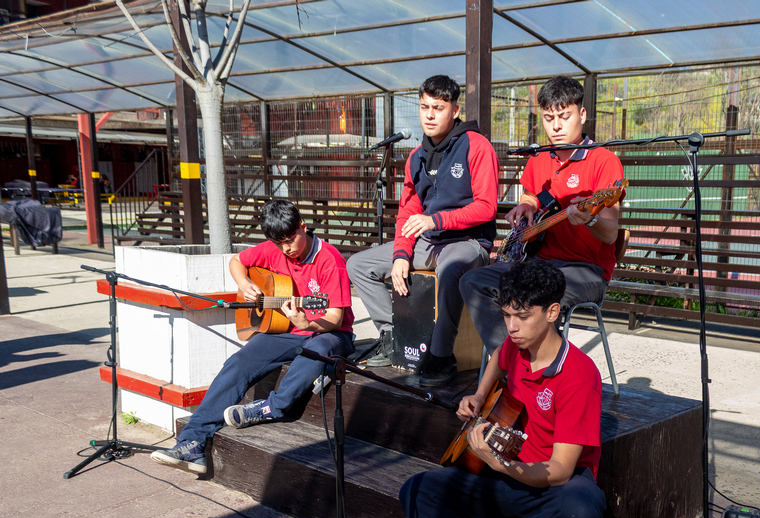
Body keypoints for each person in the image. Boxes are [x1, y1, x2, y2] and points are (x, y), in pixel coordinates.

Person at [399, 259, 605, 518]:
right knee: (417, 490)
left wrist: (502, 465)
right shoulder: (516, 345)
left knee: (582, 509)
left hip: (553, 483)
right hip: (504, 467)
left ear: (553, 312)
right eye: (507, 315)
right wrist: (479, 395)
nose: (511, 326)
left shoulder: (579, 375)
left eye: (522, 317)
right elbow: (498, 357)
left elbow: (561, 470)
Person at [151, 199, 354, 475]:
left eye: (290, 240)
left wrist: (308, 322)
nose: (286, 248)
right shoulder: (273, 249)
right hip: (287, 330)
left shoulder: (330, 259)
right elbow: (237, 261)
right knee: (239, 362)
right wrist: (244, 283)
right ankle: (192, 442)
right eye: (280, 243)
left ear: (303, 226)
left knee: (315, 351)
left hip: (330, 333)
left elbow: (335, 317)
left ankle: (271, 407)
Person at [347, 74, 499, 387]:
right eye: (424, 107)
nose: (429, 115)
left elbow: (486, 207)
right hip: (427, 242)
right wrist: (401, 254)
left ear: (455, 110)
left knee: (451, 268)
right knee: (358, 265)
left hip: (467, 241)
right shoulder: (415, 157)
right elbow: (408, 213)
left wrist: (436, 221)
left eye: (438, 108)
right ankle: (393, 337)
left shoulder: (477, 146)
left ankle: (442, 355)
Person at [460, 76, 625, 353]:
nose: (556, 126)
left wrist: (591, 219)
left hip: (585, 270)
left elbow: (610, 234)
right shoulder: (538, 158)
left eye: (564, 116)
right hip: (537, 263)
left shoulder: (604, 161)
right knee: (473, 281)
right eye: (549, 118)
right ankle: (513, 362)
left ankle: (527, 367)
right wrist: (527, 206)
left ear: (582, 115)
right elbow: (530, 196)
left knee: (536, 300)